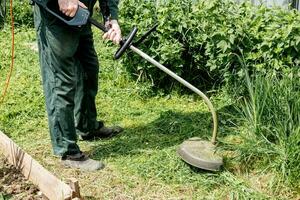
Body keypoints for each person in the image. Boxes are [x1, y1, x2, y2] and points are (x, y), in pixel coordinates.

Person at [33, 0, 122, 171]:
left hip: (81, 13)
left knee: (88, 70)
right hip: (56, 14)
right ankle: (68, 151)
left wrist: (111, 17)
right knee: (61, 82)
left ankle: (87, 126)